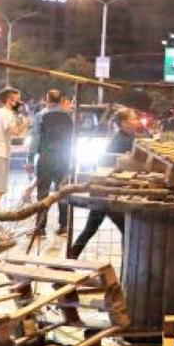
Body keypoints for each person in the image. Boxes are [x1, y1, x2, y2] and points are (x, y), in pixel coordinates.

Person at [70, 107, 143, 259]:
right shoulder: (122, 141)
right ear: (123, 123)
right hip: (107, 192)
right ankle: (127, 269)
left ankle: (68, 261)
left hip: (104, 191)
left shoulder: (128, 138)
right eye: (133, 119)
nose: (137, 121)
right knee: (127, 230)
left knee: (91, 229)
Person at [28, 89, 75, 235]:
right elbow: (72, 139)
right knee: (62, 191)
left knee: (43, 192)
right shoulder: (69, 117)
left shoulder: (40, 116)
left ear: (46, 100)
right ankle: (64, 226)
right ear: (61, 100)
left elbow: (35, 139)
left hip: (46, 157)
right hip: (64, 157)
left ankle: (40, 227)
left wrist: (30, 159)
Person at [0, 88, 28, 216]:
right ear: (10, 101)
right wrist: (26, 123)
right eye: (18, 100)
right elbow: (15, 132)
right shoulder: (6, 114)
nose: (20, 103)